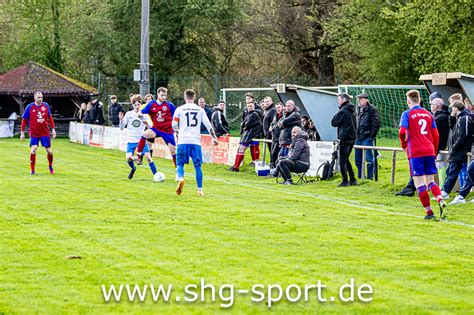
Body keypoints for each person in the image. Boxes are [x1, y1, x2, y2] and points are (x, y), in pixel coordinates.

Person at [398, 89, 447, 220]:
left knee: (419, 183)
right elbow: (436, 135)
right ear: (419, 100)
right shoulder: (428, 114)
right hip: (429, 150)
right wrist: (434, 151)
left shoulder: (407, 114)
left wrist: (404, 145)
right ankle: (440, 199)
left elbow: (402, 131)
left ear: (408, 101)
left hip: (416, 151)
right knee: (430, 181)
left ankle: (429, 212)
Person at [172, 89, 219, 196]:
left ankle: (181, 178)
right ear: (194, 97)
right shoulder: (200, 110)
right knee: (197, 166)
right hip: (195, 141)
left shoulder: (179, 109)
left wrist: (178, 131)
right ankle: (200, 189)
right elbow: (208, 125)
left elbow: (174, 125)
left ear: (185, 97)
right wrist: (214, 138)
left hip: (183, 140)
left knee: (180, 163)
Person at [135, 87, 177, 169]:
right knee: (145, 134)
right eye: (162, 95)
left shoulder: (170, 105)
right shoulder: (152, 104)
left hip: (167, 130)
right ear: (158, 94)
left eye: (165, 95)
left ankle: (178, 171)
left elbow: (176, 115)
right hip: (156, 129)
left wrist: (176, 128)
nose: (164, 97)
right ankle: (138, 156)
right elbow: (142, 111)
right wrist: (140, 114)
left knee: (173, 151)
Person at [440, 100, 473, 199]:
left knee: (453, 171)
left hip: (460, 150)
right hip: (457, 150)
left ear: (455, 108)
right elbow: (452, 126)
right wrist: (451, 116)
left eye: (452, 107)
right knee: (451, 171)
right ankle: (445, 191)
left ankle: (446, 192)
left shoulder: (464, 118)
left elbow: (464, 135)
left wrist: (454, 147)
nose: (451, 109)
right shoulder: (458, 118)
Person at [120, 95, 158, 180]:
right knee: (128, 158)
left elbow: (151, 126)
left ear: (141, 105)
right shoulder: (129, 114)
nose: (137, 106)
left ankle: (156, 175)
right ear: (132, 105)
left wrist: (144, 121)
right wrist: (121, 120)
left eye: (139, 104)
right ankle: (133, 169)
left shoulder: (144, 115)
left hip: (141, 140)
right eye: (135, 105)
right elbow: (122, 127)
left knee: (148, 157)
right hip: (131, 141)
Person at [20, 91, 56, 175]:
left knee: (49, 151)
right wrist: (22, 132)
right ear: (34, 98)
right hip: (34, 133)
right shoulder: (29, 107)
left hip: (44, 132)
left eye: (41, 97)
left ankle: (50, 166)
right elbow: (24, 120)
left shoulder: (46, 106)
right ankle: (32, 170)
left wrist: (53, 129)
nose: (40, 99)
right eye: (38, 97)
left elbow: (50, 118)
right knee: (34, 149)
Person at [331, 93, 357, 187]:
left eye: (338, 99)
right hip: (353, 136)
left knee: (342, 160)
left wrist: (339, 110)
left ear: (343, 100)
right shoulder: (352, 109)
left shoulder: (343, 110)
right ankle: (353, 179)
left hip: (345, 137)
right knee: (346, 158)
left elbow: (333, 122)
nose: (338, 101)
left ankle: (345, 181)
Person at [229, 101, 263, 172]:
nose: (249, 108)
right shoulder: (249, 114)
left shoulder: (254, 114)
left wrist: (244, 125)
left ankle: (236, 167)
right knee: (240, 149)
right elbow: (244, 124)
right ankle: (235, 166)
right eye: (248, 106)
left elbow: (246, 125)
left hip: (249, 135)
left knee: (241, 149)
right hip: (247, 134)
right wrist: (244, 125)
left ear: (254, 107)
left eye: (251, 106)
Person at [354, 93, 380, 180]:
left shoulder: (372, 109)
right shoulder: (357, 109)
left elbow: (376, 124)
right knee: (357, 158)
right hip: (358, 137)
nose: (359, 101)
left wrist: (371, 136)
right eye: (359, 99)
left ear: (366, 100)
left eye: (361, 99)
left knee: (369, 159)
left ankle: (370, 177)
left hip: (367, 137)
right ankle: (361, 175)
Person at [430, 97, 450, 186]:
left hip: (439, 145)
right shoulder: (440, 116)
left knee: (441, 166)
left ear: (437, 106)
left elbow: (431, 131)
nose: (430, 106)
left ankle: (442, 187)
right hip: (439, 145)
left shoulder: (440, 117)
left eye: (432, 105)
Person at [240, 93, 263, 165]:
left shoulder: (258, 107)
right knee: (248, 145)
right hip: (247, 129)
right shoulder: (245, 108)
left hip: (255, 130)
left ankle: (256, 161)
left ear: (253, 99)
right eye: (246, 99)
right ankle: (247, 161)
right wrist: (242, 129)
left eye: (249, 98)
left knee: (255, 145)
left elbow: (260, 118)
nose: (248, 100)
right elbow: (243, 119)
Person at [269, 102, 284, 169]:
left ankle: (276, 167)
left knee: (276, 153)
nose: (277, 109)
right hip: (274, 137)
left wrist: (274, 127)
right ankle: (272, 166)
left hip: (280, 137)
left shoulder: (284, 116)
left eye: (279, 107)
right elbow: (272, 123)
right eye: (276, 108)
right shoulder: (275, 115)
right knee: (272, 152)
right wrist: (271, 127)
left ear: (282, 108)